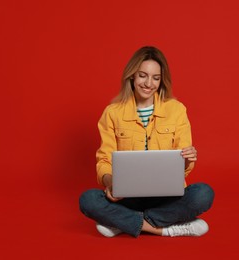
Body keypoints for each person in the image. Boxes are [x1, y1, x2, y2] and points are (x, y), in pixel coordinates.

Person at [79, 46, 214, 238]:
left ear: (161, 81)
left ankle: (123, 223)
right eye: (143, 75)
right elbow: (104, 161)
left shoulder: (177, 110)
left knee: (203, 194)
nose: (148, 83)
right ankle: (164, 228)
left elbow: (183, 167)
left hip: (167, 198)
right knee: (88, 199)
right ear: (132, 76)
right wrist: (111, 183)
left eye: (155, 78)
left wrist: (188, 158)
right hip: (126, 198)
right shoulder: (112, 113)